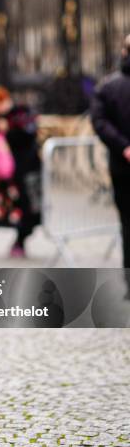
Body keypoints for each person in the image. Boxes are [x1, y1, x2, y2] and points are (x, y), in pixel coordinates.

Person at [91, 35, 130, 299]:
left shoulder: (108, 85)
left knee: (127, 224)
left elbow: (100, 122)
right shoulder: (109, 86)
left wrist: (123, 146)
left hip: (122, 164)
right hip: (122, 165)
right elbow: (100, 121)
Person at [0, 85, 41, 257]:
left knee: (29, 206)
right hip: (6, 174)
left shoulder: (21, 113)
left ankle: (21, 240)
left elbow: (29, 135)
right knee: (13, 206)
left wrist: (7, 131)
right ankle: (19, 240)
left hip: (26, 169)